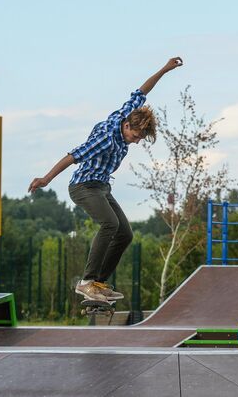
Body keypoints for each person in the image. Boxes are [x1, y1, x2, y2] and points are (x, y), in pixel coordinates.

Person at [28, 57, 184, 303]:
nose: (137, 140)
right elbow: (73, 156)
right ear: (125, 126)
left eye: (141, 137)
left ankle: (98, 283)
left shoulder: (126, 114)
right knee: (110, 224)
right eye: (135, 135)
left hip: (101, 187)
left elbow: (142, 91)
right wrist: (46, 179)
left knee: (126, 234)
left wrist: (165, 69)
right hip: (83, 187)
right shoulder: (106, 139)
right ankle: (87, 282)